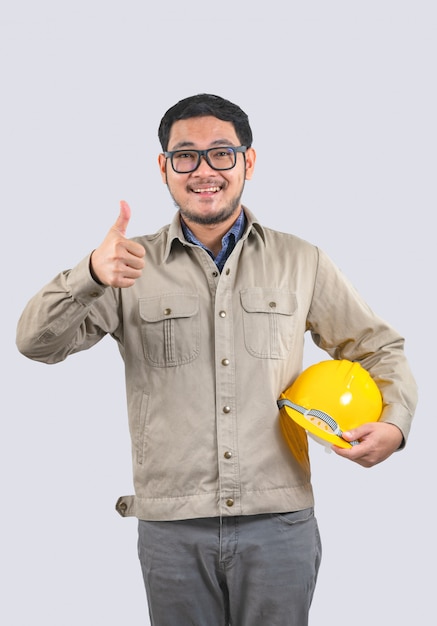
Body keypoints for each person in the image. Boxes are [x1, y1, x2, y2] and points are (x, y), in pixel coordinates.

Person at [16, 93, 418, 626]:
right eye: (186, 155)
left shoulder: (301, 261)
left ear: (248, 161)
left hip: (278, 526)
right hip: (172, 530)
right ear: (164, 167)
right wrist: (88, 273)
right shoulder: (124, 267)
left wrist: (394, 423)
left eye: (221, 153)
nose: (204, 170)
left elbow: (379, 347)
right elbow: (35, 344)